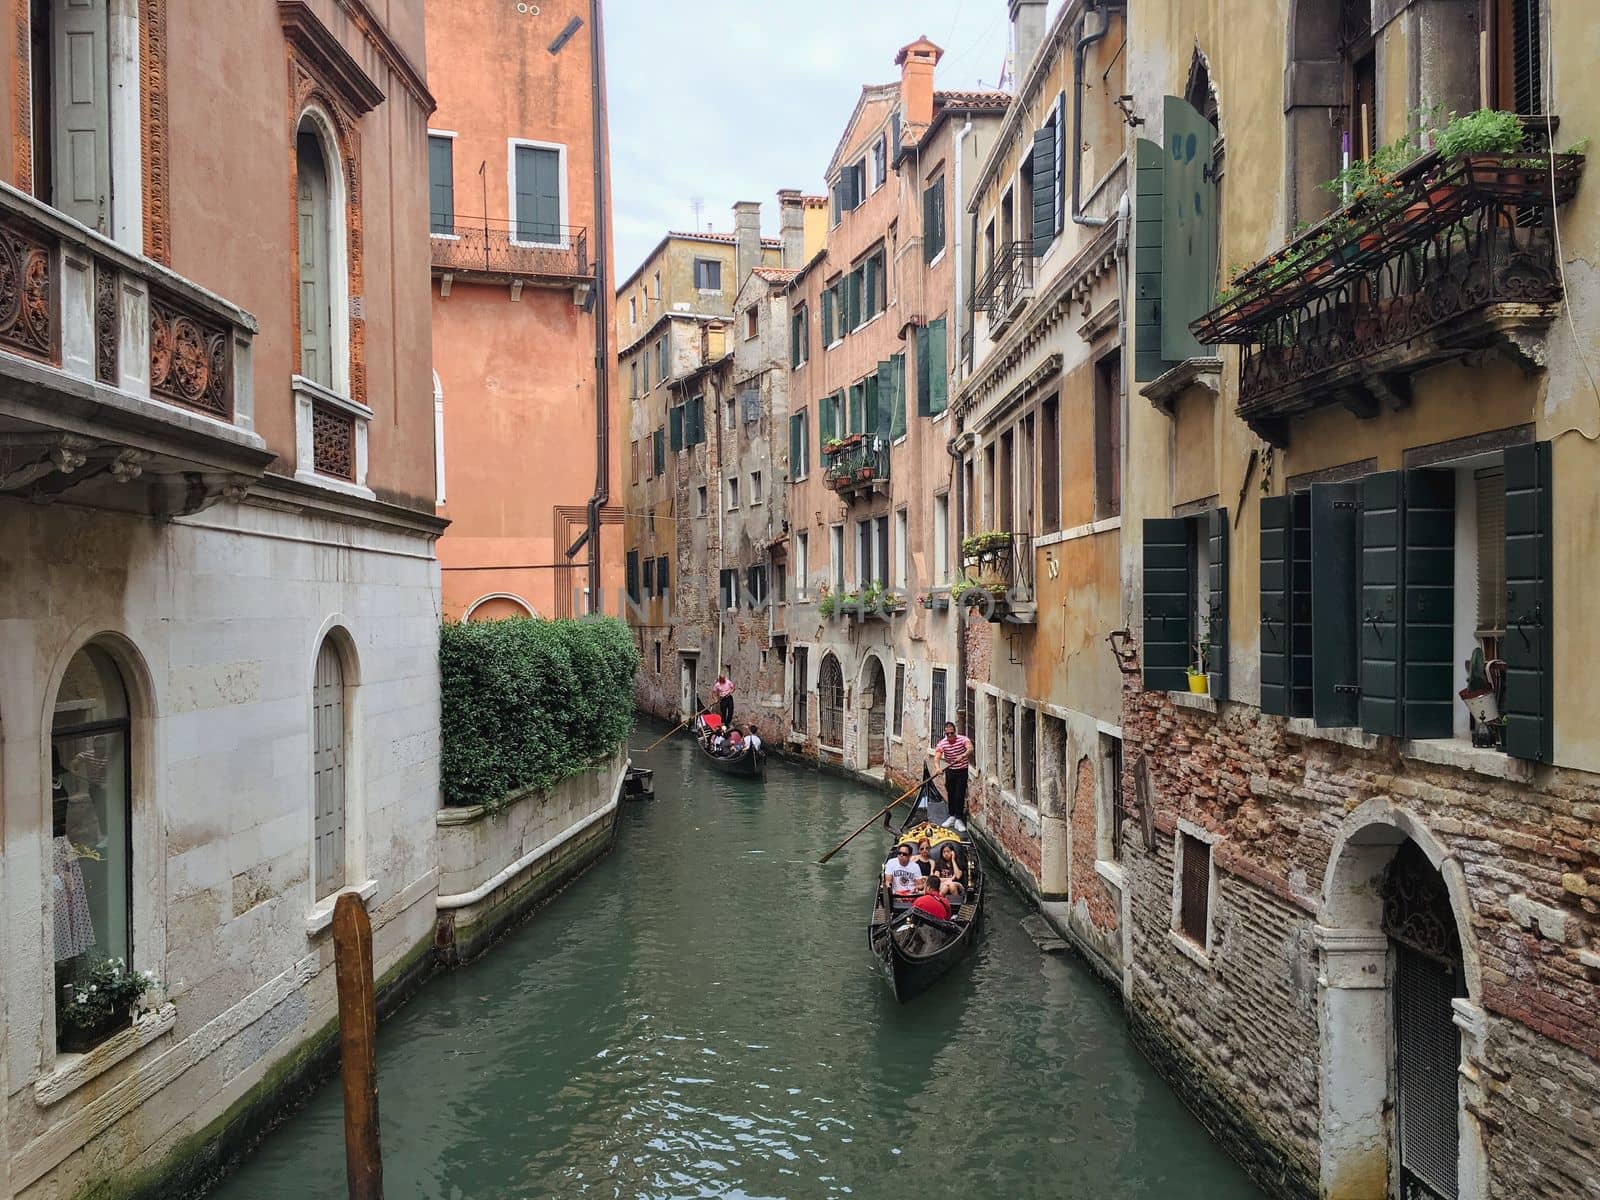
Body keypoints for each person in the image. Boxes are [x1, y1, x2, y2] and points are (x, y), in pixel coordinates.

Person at [931, 721, 974, 822]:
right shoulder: (942, 743)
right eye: (947, 734)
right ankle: (952, 816)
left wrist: (963, 755)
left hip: (962, 770)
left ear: (955, 732)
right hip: (950, 770)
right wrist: (937, 768)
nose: (950, 735)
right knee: (951, 793)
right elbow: (937, 757)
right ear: (945, 734)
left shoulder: (963, 739)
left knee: (959, 794)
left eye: (952, 733)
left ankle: (958, 818)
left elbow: (970, 748)